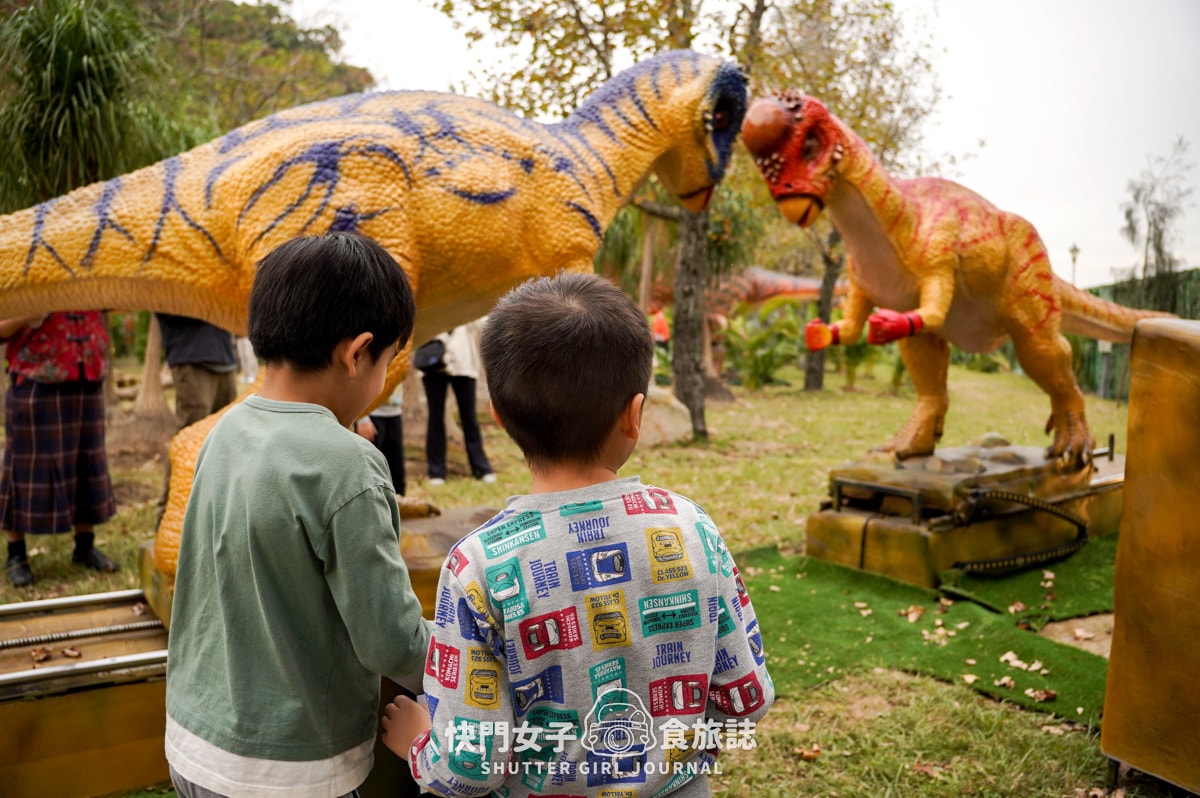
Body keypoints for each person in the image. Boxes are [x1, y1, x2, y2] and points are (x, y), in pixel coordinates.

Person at [382, 273, 775, 798]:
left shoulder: (477, 566)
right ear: (635, 416)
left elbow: (470, 769)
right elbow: (746, 698)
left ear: (498, 416)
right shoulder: (690, 528)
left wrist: (419, 743)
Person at [165, 233, 433, 798]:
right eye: (386, 361)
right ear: (357, 352)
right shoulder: (350, 464)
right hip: (293, 770)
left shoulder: (226, 430)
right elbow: (392, 644)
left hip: (196, 743)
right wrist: (470, 653)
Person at [1, 311, 120, 588]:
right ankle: (16, 554)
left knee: (86, 461)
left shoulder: (92, 270)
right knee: (24, 466)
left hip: (87, 374)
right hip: (37, 377)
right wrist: (26, 316)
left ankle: (84, 546)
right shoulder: (17, 271)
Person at [421, 320, 495, 485]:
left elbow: (483, 323)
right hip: (433, 365)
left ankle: (482, 468)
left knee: (469, 417)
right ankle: (436, 472)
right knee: (435, 418)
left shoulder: (464, 306)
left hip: (464, 366)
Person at [155, 313, 239, 429]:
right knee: (193, 433)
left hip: (224, 357)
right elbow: (166, 308)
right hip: (192, 359)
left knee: (228, 431)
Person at [355, 383, 406, 495]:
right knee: (371, 471)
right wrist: (362, 418)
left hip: (394, 411)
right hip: (371, 414)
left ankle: (397, 506)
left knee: (397, 473)